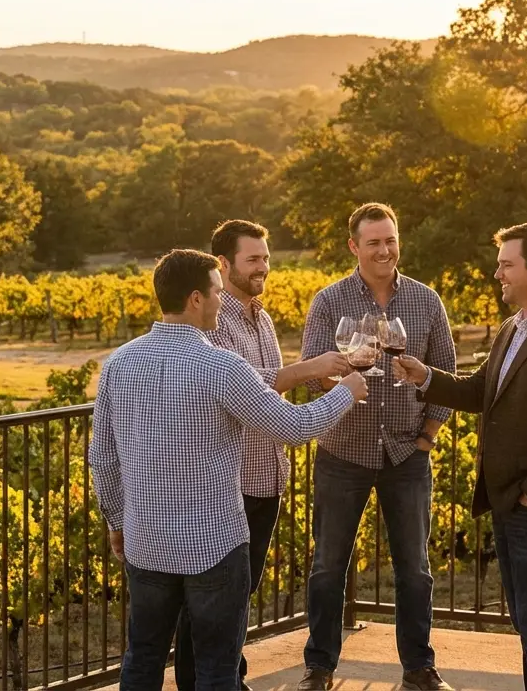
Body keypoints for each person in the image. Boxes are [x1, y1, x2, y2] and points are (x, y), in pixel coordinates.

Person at [89, 248, 368, 691]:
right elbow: (294, 427)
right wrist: (348, 391)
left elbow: (102, 457)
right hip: (214, 546)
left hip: (146, 543)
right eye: (218, 291)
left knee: (141, 660)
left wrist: (117, 521)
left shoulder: (118, 363)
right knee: (217, 669)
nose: (223, 300)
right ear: (196, 298)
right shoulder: (219, 366)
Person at [393, 221, 527, 691]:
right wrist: (423, 375)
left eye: (507, 264)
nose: (497, 273)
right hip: (510, 502)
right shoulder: (514, 326)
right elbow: (479, 389)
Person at [171, 220, 352, 691]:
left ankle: (229, 676)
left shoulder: (261, 316)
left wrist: (322, 381)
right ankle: (203, 681)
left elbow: (271, 391)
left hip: (266, 476)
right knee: (209, 600)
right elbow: (250, 386)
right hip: (230, 480)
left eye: (266, 258)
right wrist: (312, 367)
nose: (264, 267)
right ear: (224, 264)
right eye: (253, 259)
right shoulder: (213, 320)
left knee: (238, 595)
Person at [298, 203, 457, 691]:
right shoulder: (329, 301)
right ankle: (319, 669)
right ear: (354, 247)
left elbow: (445, 380)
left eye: (390, 240)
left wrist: (427, 439)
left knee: (415, 571)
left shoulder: (427, 301)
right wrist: (343, 378)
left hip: (407, 455)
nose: (384, 249)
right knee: (328, 567)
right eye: (374, 242)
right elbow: (310, 375)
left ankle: (419, 669)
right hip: (343, 453)